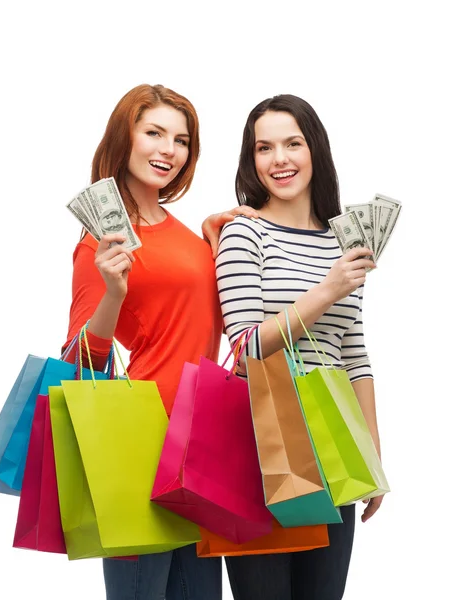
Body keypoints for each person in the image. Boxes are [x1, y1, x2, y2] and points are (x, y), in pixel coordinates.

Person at [62, 83, 257, 600]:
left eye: (181, 139)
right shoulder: (100, 243)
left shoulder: (189, 236)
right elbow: (80, 364)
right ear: (123, 138)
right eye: (153, 133)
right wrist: (112, 293)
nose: (168, 149)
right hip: (140, 446)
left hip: (201, 444)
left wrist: (215, 241)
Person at [215, 94, 384, 600]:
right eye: (264, 148)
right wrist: (326, 291)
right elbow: (245, 348)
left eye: (293, 143)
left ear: (316, 150)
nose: (279, 159)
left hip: (333, 445)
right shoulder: (243, 233)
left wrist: (371, 453)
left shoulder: (342, 241)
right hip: (262, 447)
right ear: (252, 161)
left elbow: (353, 353)